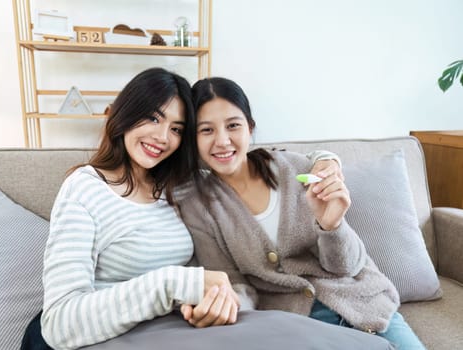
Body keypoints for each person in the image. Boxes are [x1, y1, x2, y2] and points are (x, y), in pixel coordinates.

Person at [21, 67, 342, 349]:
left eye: (176, 129)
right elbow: (59, 324)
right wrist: (175, 285)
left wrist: (327, 161)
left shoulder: (184, 185)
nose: (162, 137)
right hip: (92, 338)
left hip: (166, 331)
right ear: (124, 115)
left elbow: (255, 162)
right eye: (153, 118)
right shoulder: (84, 189)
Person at [177, 77, 426, 349]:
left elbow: (349, 267)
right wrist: (224, 305)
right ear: (193, 139)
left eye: (233, 125)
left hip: (364, 304)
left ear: (250, 127)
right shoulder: (199, 206)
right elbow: (235, 284)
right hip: (298, 325)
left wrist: (332, 226)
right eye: (206, 130)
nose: (222, 141)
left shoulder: (297, 170)